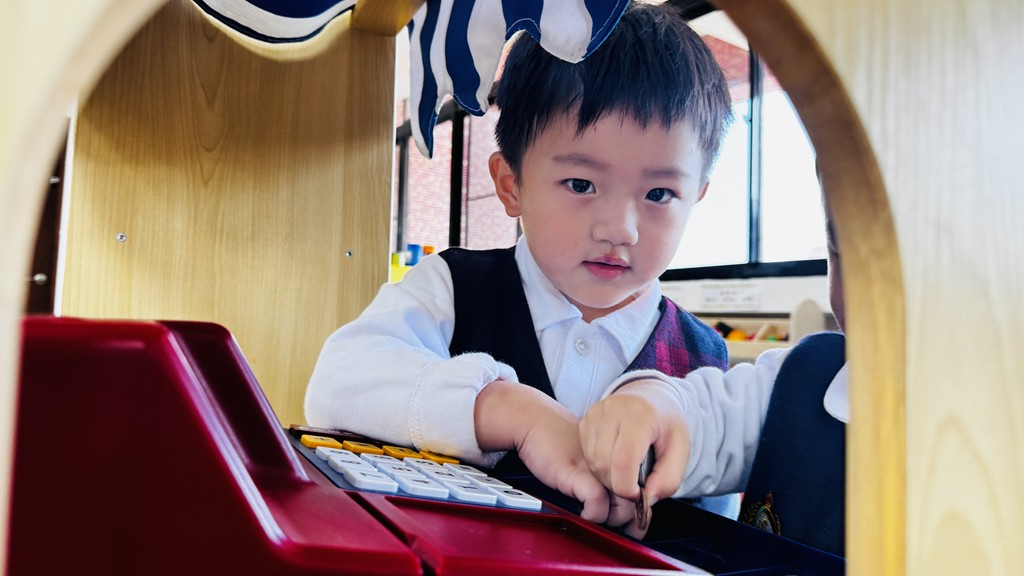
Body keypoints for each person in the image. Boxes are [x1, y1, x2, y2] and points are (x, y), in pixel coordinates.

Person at [305, 2, 733, 529]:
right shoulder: (455, 288)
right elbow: (337, 384)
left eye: (660, 193)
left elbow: (719, 529)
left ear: (697, 197)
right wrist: (507, 410)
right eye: (581, 184)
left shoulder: (705, 361)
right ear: (511, 185)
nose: (620, 229)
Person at [580, 195, 849, 555]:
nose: (881, 293)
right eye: (845, 254)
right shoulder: (798, 377)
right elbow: (707, 416)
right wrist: (652, 402)